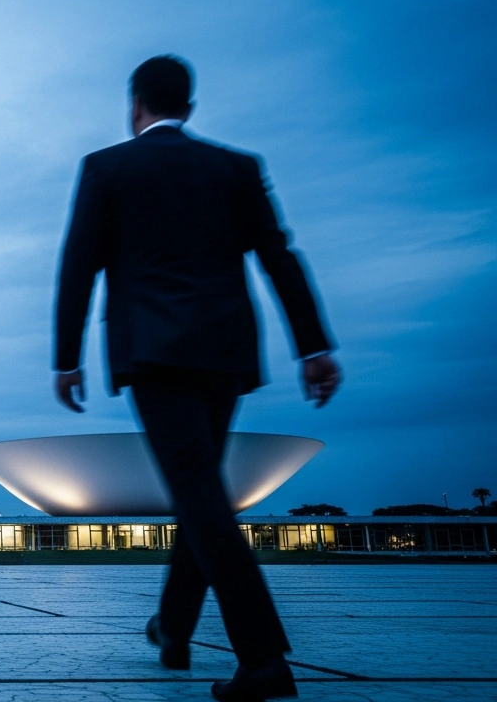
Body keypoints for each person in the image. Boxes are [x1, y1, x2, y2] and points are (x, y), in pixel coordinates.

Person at [53, 55, 341, 701]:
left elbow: (78, 266)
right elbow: (279, 257)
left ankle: (263, 657)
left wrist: (66, 358)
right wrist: (313, 348)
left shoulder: (107, 167)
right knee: (200, 488)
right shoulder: (236, 168)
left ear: (135, 106)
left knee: (198, 491)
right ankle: (173, 627)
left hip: (153, 353)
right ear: (189, 105)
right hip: (227, 354)